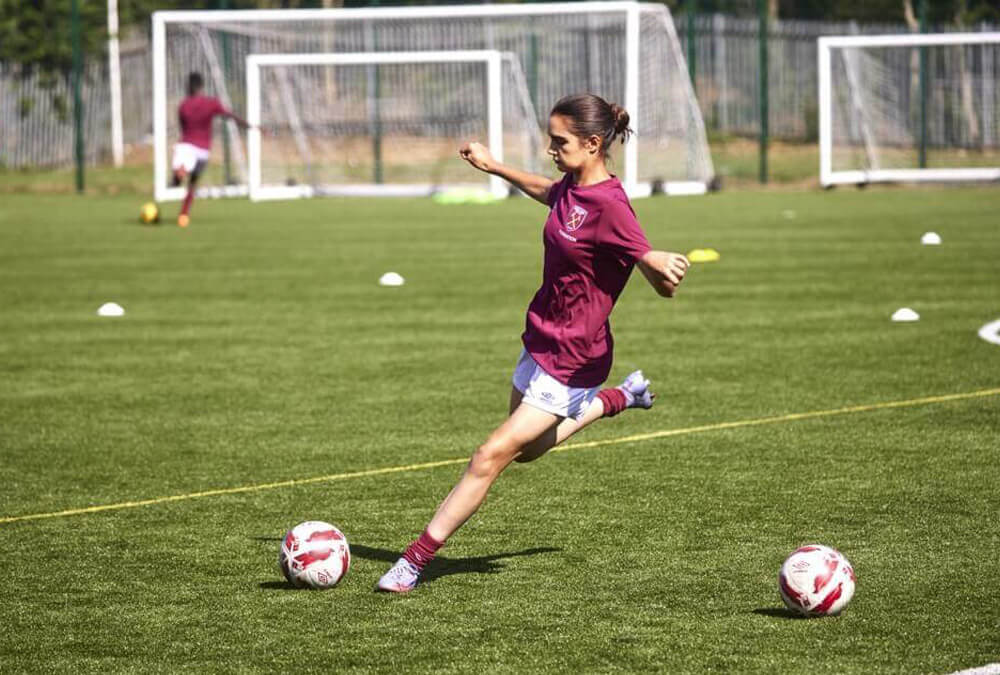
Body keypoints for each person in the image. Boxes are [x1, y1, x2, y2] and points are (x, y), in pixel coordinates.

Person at [376, 93, 690, 593]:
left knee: (489, 456)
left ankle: (414, 561)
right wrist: (494, 167)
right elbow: (552, 193)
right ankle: (619, 399)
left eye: (559, 141)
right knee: (525, 451)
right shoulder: (573, 186)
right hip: (541, 335)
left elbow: (658, 275)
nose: (551, 148)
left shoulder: (612, 206)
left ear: (592, 144)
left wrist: (657, 266)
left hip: (575, 357)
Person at [171, 72, 253, 228]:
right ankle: (183, 213)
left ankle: (179, 173)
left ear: (188, 86)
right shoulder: (211, 103)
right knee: (193, 183)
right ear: (202, 86)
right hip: (202, 150)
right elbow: (230, 116)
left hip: (186, 145)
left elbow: (183, 128)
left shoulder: (183, 106)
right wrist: (249, 126)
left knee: (182, 170)